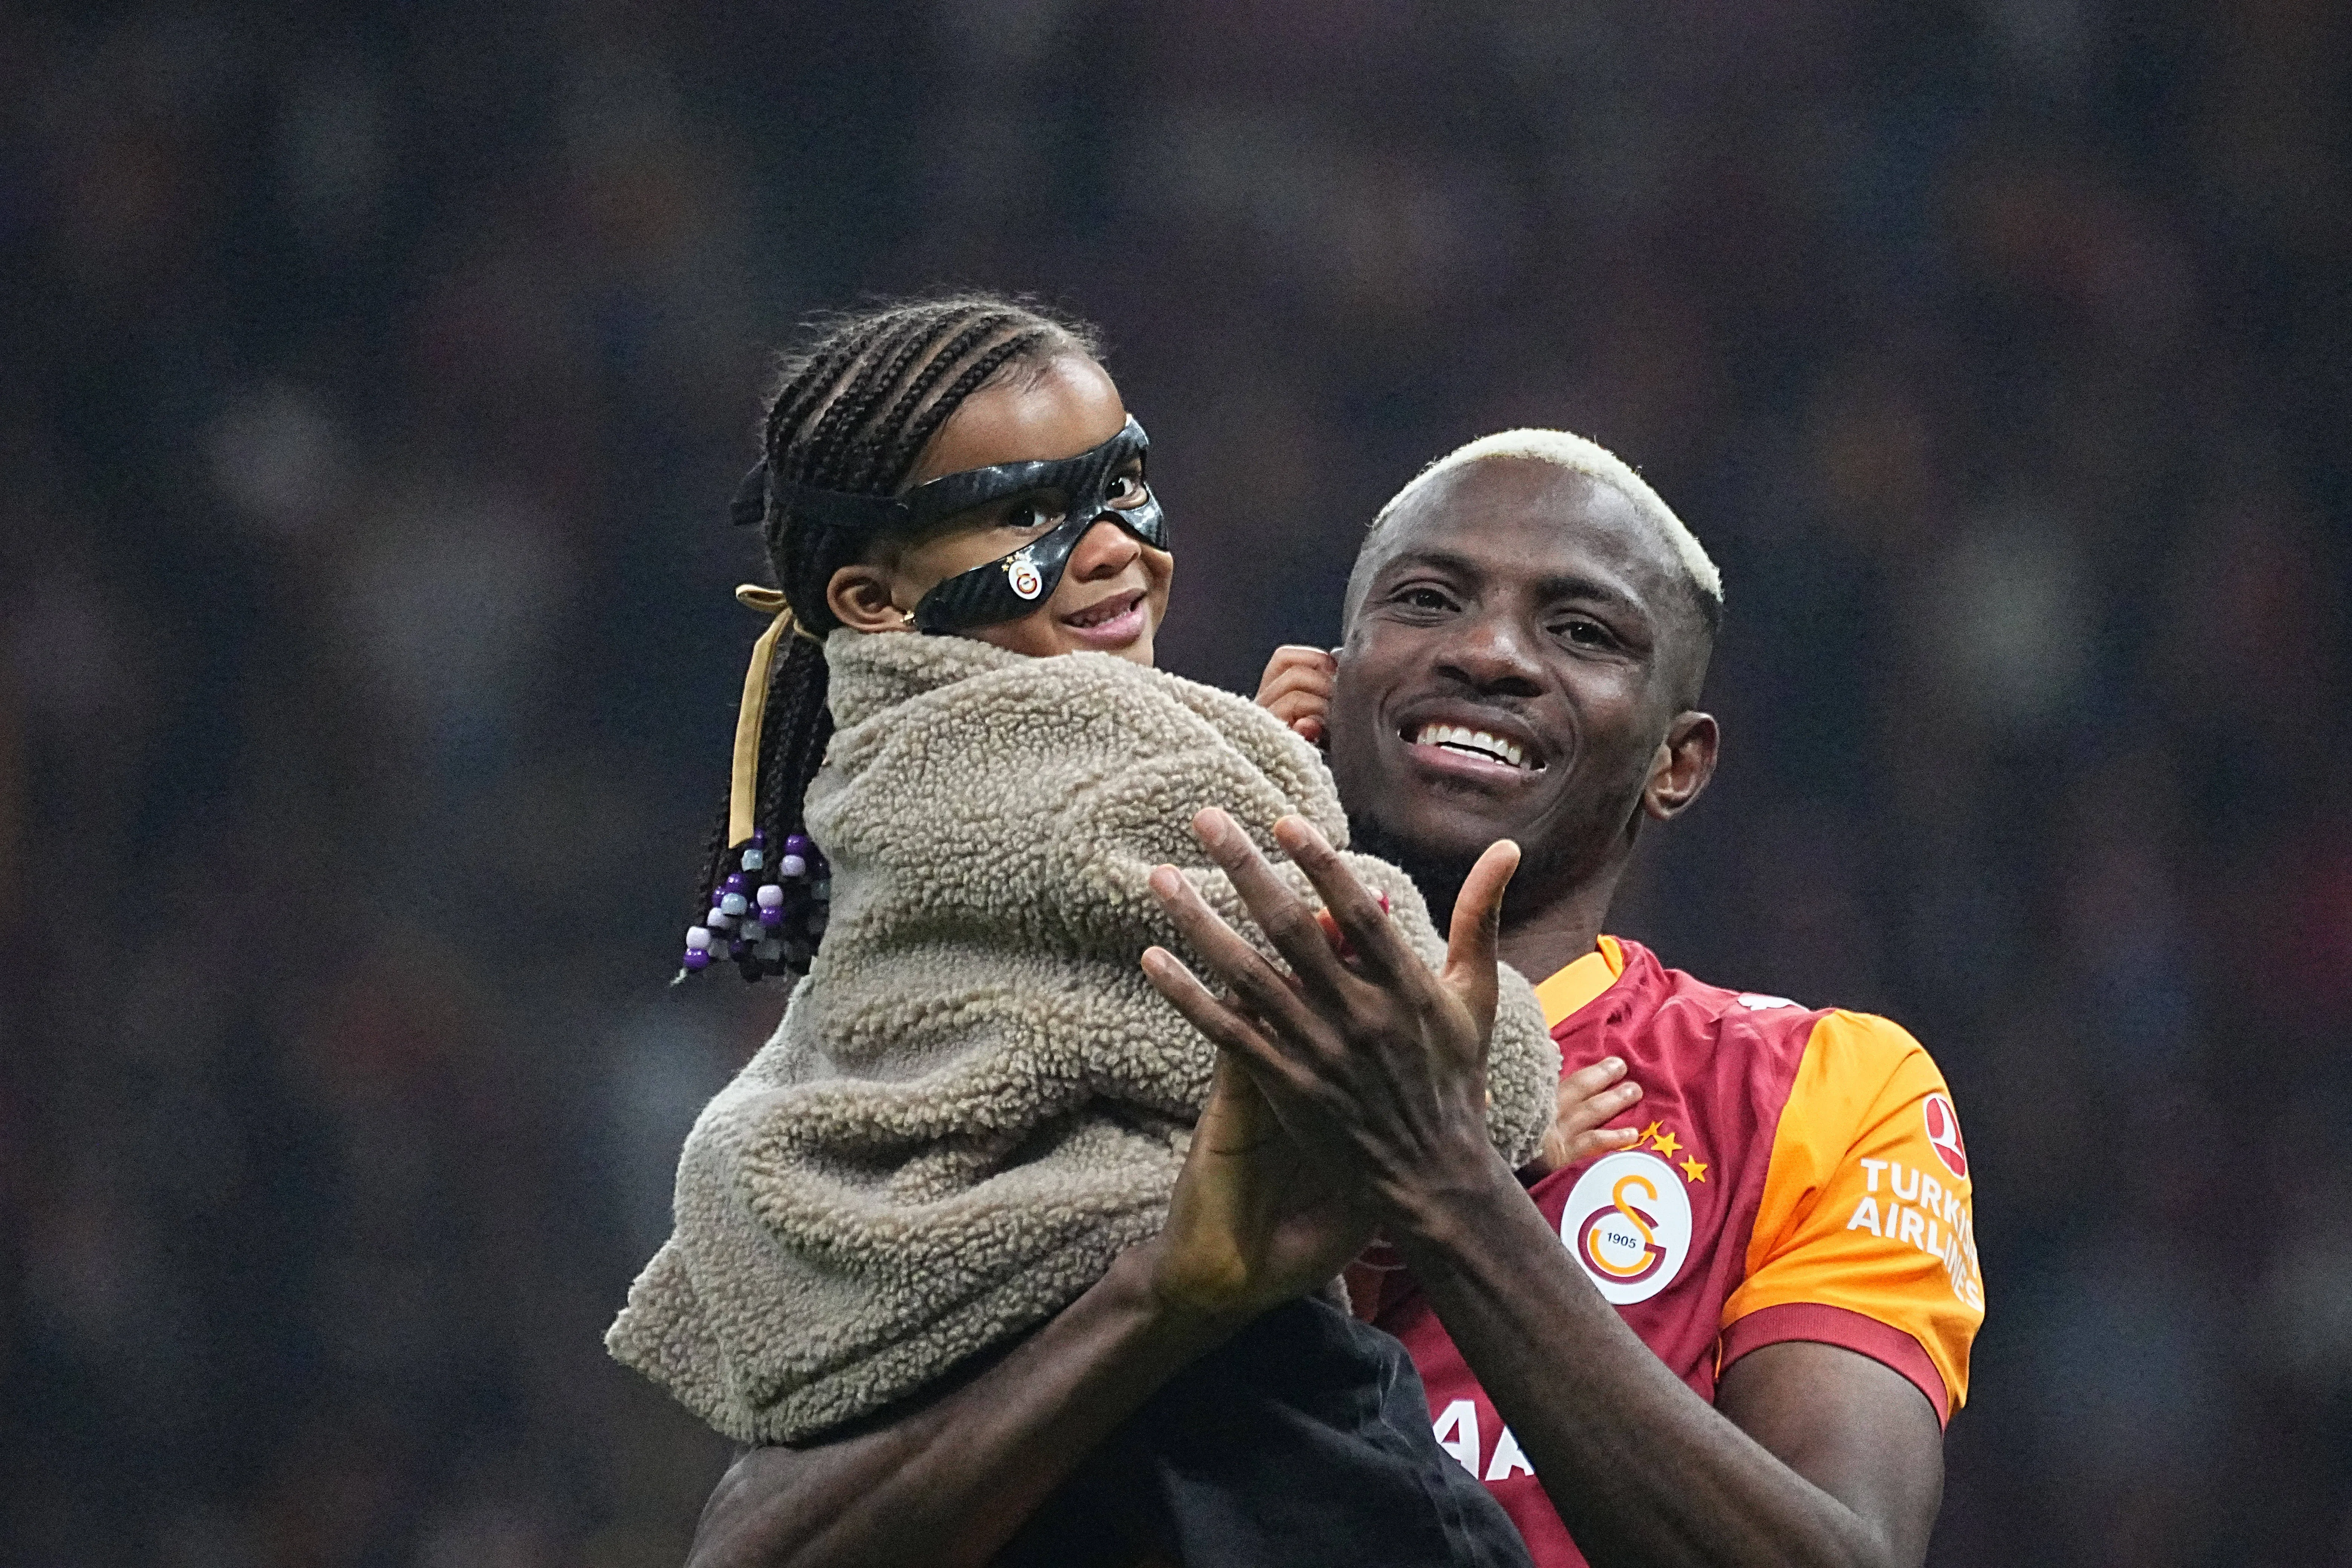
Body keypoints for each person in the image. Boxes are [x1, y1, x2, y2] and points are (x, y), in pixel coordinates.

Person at [683, 425, 1984, 1568]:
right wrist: (1164, 1299)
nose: (1487, 654)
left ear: (1677, 763)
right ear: (1330, 680)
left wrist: (1442, 1181)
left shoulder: (1820, 1088)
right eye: (1427, 602)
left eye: (1581, 632)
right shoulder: (1098, 1017)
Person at [611, 294, 1575, 1568]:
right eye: (1028, 511)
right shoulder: (1106, 764)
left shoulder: (893, 772)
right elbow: (1421, 1064)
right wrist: (1513, 1076)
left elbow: (1082, 966)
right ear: (877, 598)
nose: (1111, 543)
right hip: (1205, 1441)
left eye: (1121, 480)